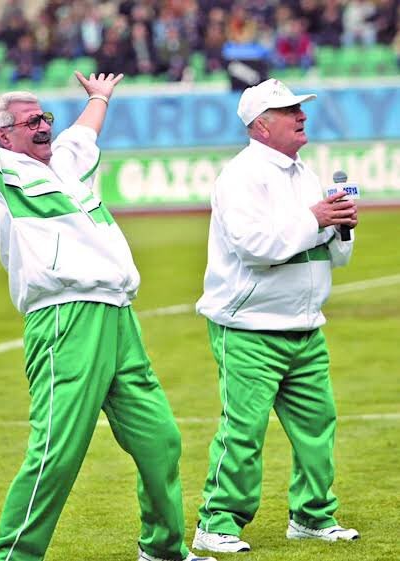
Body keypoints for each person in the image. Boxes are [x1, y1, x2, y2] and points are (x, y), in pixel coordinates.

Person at [0, 19, 217, 561]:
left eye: (45, 117)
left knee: (161, 440)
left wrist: (99, 98)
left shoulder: (68, 164)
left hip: (118, 316)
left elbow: (84, 132)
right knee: (57, 451)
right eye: (32, 120)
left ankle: (162, 549)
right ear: (3, 135)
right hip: (65, 318)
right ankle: (11, 557)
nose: (44, 125)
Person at [191, 78, 360, 554]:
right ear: (261, 126)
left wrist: (342, 228)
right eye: (289, 111)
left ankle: (312, 516)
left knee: (318, 427)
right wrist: (317, 219)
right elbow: (255, 247)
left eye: (299, 108)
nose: (301, 115)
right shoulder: (240, 176)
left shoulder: (304, 174)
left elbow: (334, 258)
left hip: (304, 324)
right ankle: (215, 523)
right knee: (243, 432)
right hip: (249, 327)